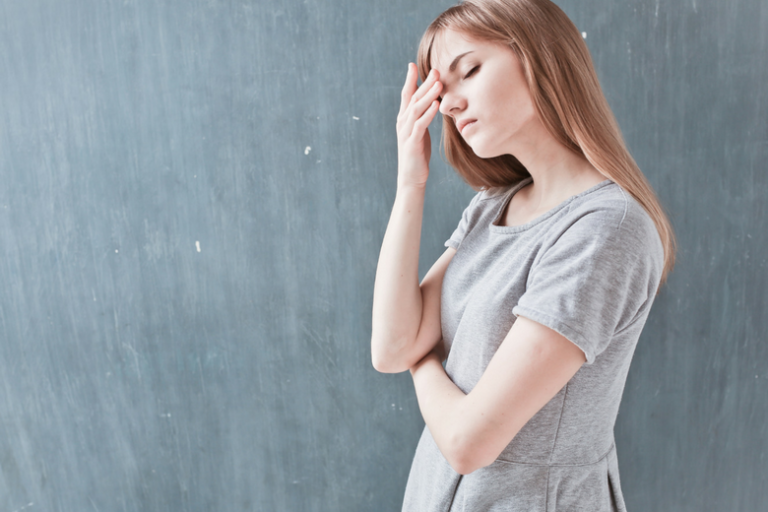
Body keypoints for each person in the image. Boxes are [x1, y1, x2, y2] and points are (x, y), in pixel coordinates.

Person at [370, 0, 676, 510]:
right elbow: (390, 347)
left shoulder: (605, 230)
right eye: (440, 89)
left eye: (468, 71)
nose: (446, 104)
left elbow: (470, 443)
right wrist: (410, 183)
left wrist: (422, 361)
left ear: (539, 56)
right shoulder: (495, 205)